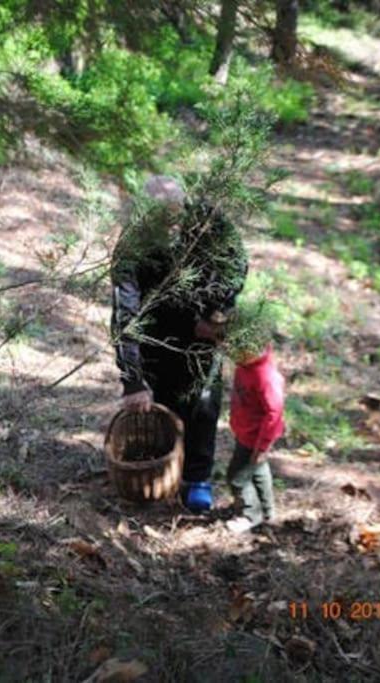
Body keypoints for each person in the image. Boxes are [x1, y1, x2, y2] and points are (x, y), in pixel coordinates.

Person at [110, 175, 248, 512]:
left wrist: (215, 313)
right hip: (157, 331)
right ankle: (164, 468)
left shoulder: (210, 222)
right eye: (160, 216)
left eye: (175, 212)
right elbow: (125, 314)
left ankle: (197, 477)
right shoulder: (132, 244)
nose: (170, 222)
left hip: (203, 328)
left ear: (184, 205)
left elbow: (237, 266)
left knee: (203, 402)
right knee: (166, 401)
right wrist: (132, 380)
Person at [224, 327, 285, 533]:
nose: (232, 356)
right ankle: (268, 511)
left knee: (237, 477)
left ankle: (251, 515)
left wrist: (262, 446)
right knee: (259, 471)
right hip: (245, 431)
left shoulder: (265, 377)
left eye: (237, 352)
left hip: (255, 437)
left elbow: (274, 413)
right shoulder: (245, 365)